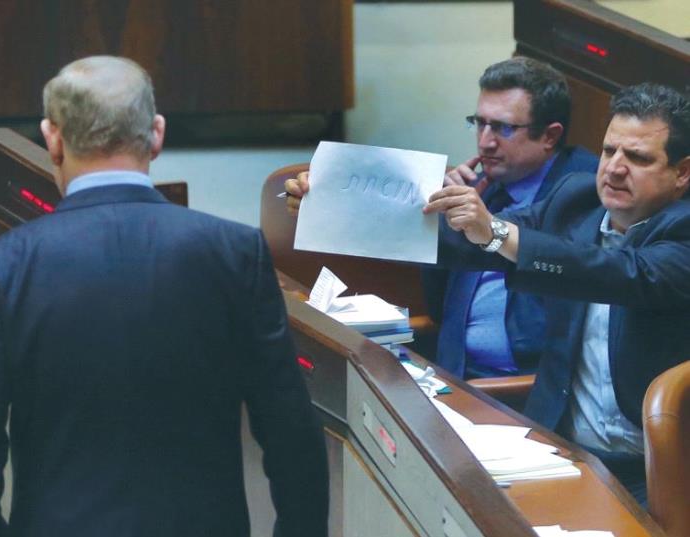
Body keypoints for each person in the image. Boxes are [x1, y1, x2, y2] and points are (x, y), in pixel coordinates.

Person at [0, 56, 329, 537]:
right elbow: (291, 431)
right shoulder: (235, 254)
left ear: (52, 139)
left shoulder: (0, 268)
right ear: (156, 134)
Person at [423, 82, 690, 503]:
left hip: (661, 471)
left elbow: (621, 274)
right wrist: (340, 204)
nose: (615, 168)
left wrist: (495, 233)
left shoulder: (684, 231)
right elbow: (471, 240)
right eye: (609, 151)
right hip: (564, 450)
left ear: (682, 173)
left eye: (637, 158)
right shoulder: (575, 200)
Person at [290, 57, 599, 380]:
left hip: (519, 384)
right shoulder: (484, 186)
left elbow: (549, 319)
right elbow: (439, 307)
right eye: (480, 123)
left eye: (503, 128)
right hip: (454, 375)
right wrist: (440, 215)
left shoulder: (578, 191)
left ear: (550, 136)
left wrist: (478, 221)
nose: (485, 141)